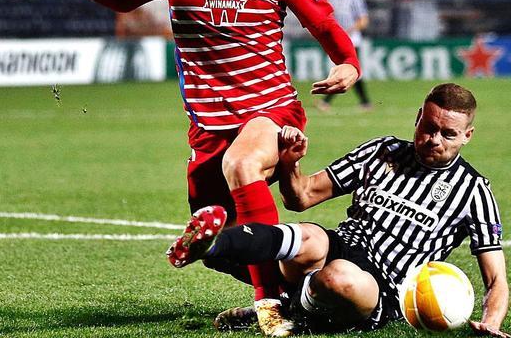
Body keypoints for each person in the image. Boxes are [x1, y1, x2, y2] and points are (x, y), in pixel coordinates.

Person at [32, 0, 360, 335]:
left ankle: (269, 309)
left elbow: (324, 23)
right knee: (217, 244)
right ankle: (295, 294)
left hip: (269, 110)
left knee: (245, 165)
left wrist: (347, 63)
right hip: (207, 127)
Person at [171, 83, 508, 336]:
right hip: (341, 245)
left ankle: (289, 309)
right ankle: (213, 245)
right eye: (428, 128)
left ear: (467, 135)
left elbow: (496, 279)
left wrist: (490, 323)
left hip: (384, 287)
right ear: (418, 118)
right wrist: (291, 163)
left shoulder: (474, 191)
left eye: (447, 134)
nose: (434, 139)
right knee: (308, 236)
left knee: (340, 277)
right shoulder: (383, 151)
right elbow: (300, 197)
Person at [316, 0, 371, 111]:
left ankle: (326, 101)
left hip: (352, 41)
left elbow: (363, 21)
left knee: (349, 70)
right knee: (347, 70)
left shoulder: (356, 0)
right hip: (337, 41)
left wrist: (348, 31)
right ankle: (365, 102)